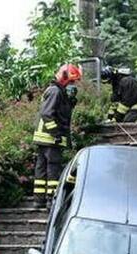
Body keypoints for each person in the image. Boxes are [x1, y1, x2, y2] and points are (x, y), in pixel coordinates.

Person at [32, 63, 82, 209]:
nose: (73, 85)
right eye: (72, 81)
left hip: (44, 138)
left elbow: (61, 112)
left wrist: (71, 100)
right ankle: (51, 200)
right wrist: (56, 134)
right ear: (65, 78)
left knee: (41, 169)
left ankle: (38, 200)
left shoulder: (58, 91)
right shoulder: (55, 91)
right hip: (51, 138)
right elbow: (48, 114)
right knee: (53, 168)